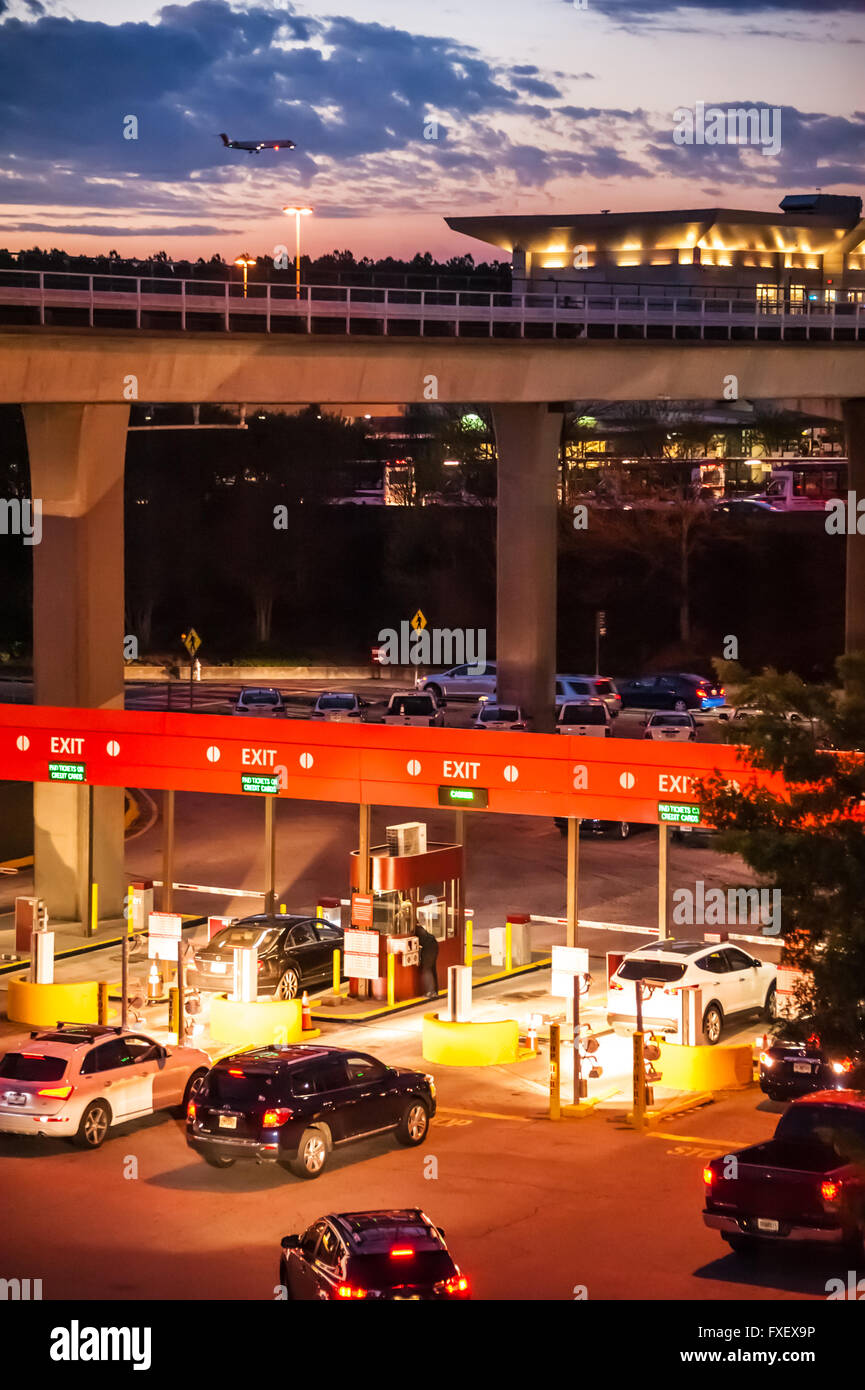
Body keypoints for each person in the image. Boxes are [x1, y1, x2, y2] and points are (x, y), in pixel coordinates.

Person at [417, 922, 439, 999]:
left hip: (429, 947)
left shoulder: (413, 929)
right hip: (433, 945)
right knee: (431, 968)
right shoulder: (418, 927)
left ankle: (430, 992)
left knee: (426, 969)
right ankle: (435, 991)